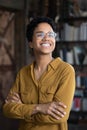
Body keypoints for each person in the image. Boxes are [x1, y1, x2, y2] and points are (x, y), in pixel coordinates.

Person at [3, 16, 75, 130]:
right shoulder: (23, 73)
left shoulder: (66, 71)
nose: (46, 38)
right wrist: (39, 108)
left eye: (51, 35)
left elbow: (60, 116)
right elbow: (7, 109)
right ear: (31, 43)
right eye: (40, 34)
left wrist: (23, 109)